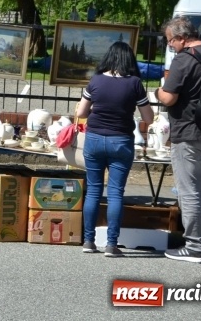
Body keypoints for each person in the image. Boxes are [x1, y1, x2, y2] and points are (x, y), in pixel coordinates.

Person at [157, 16, 201, 262]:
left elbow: (169, 98)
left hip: (188, 132)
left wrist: (158, 90)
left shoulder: (183, 60)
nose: (170, 46)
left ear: (181, 38)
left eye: (170, 41)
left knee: (189, 191)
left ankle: (195, 246)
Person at [76, 41, 153, 257]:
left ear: (109, 57)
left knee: (93, 190)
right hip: (121, 141)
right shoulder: (135, 83)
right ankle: (111, 244)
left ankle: (88, 241)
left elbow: (82, 112)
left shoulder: (96, 81)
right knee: (115, 193)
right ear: (129, 59)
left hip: (94, 140)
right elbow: (148, 118)